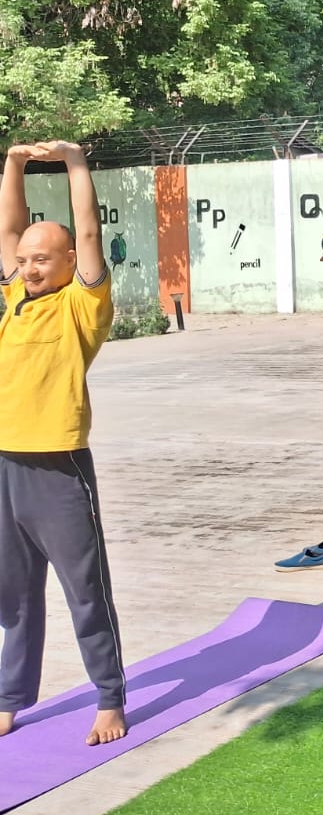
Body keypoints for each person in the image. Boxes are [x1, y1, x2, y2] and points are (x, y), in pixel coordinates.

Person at [0, 140, 126, 746]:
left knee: (85, 592)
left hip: (59, 466)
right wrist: (14, 164)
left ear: (69, 261)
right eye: (24, 260)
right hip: (5, 464)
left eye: (42, 259)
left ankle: (109, 698)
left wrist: (76, 162)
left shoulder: (82, 305)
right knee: (14, 594)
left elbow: (90, 230)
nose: (29, 268)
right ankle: (9, 697)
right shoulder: (14, 301)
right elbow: (8, 229)